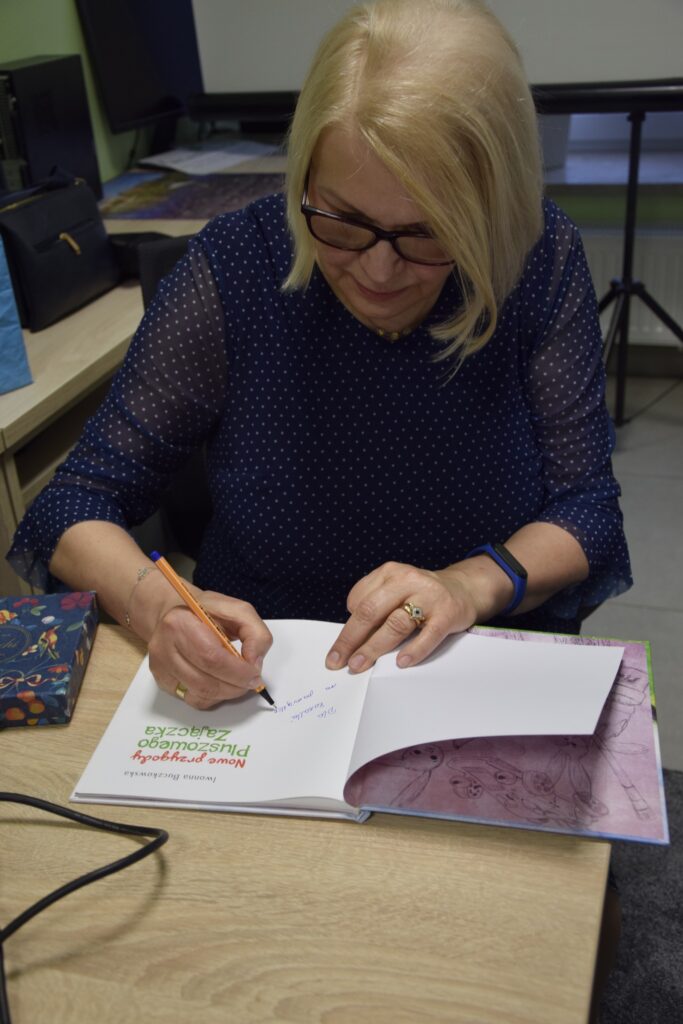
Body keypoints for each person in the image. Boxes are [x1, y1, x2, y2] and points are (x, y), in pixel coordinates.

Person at [7, 0, 631, 712]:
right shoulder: (237, 267)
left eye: (427, 232)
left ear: (494, 208)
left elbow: (586, 509)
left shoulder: (535, 255)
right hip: (266, 684)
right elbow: (74, 504)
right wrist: (161, 606)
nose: (378, 271)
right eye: (341, 221)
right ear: (303, 178)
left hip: (471, 665)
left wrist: (468, 584)